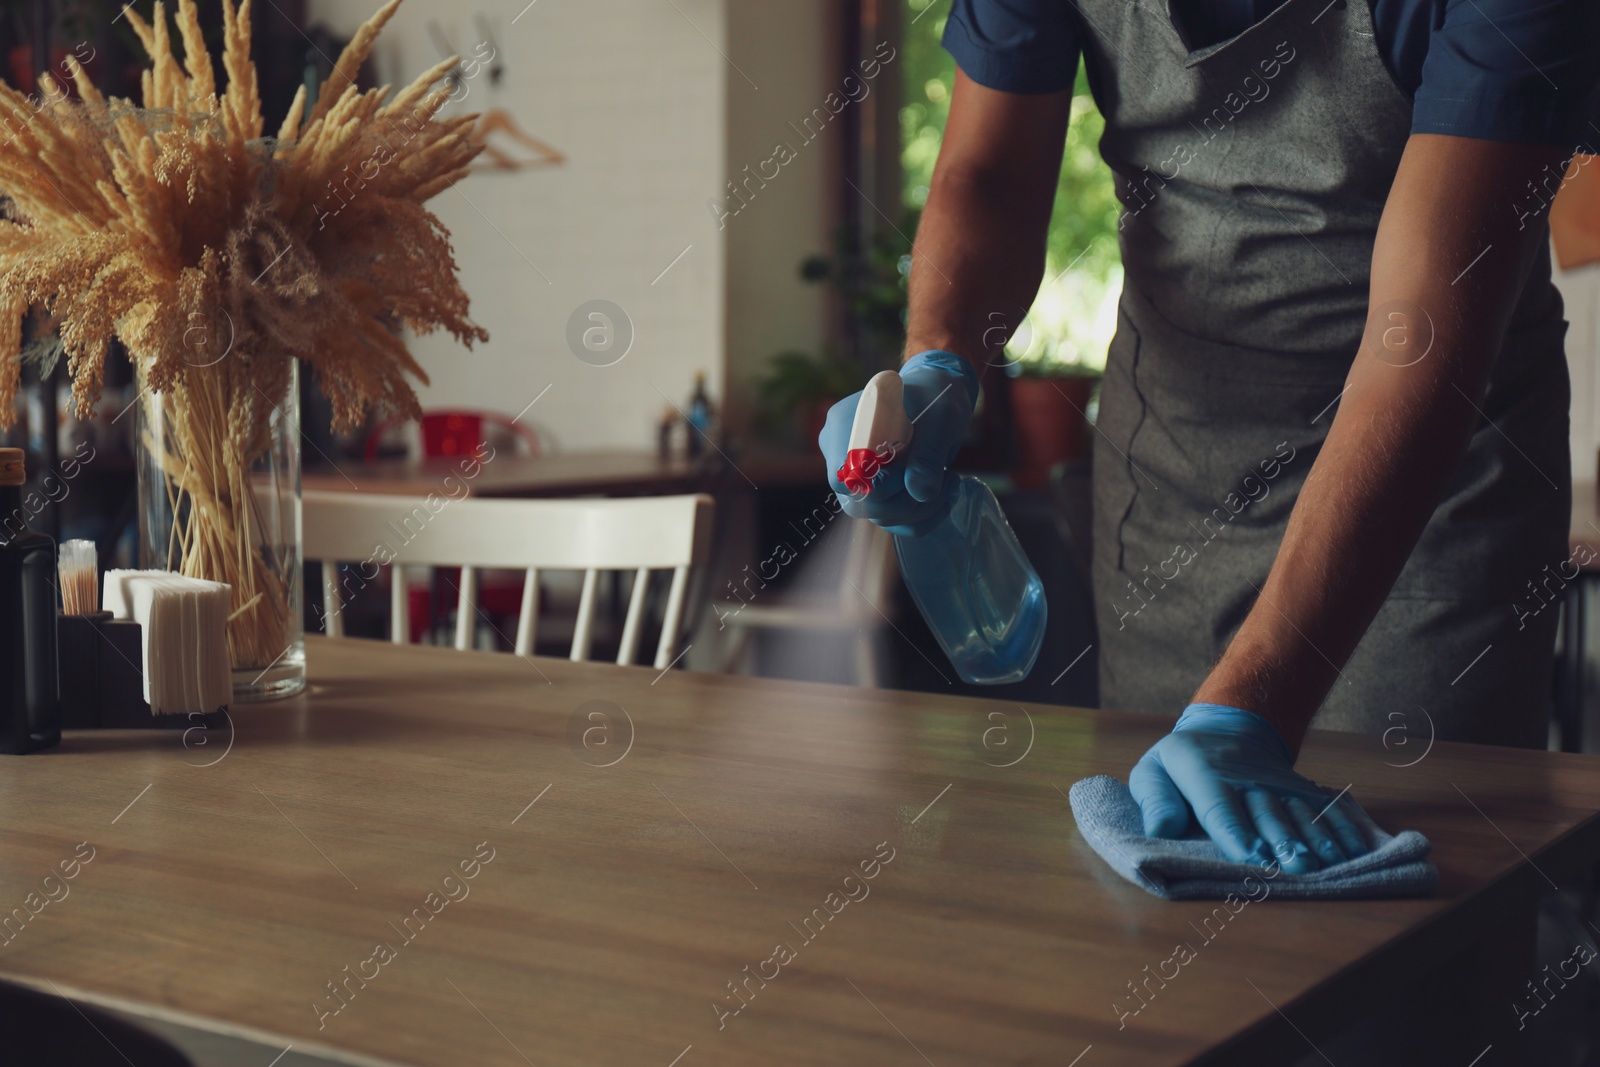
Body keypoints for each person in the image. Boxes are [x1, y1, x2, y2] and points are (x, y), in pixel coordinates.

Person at [819, 0, 1599, 873]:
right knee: (1164, 902)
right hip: (1173, 483)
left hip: (1433, 492)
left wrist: (1251, 703)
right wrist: (941, 361)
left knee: (1405, 901)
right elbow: (988, 174)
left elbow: (1421, 331)